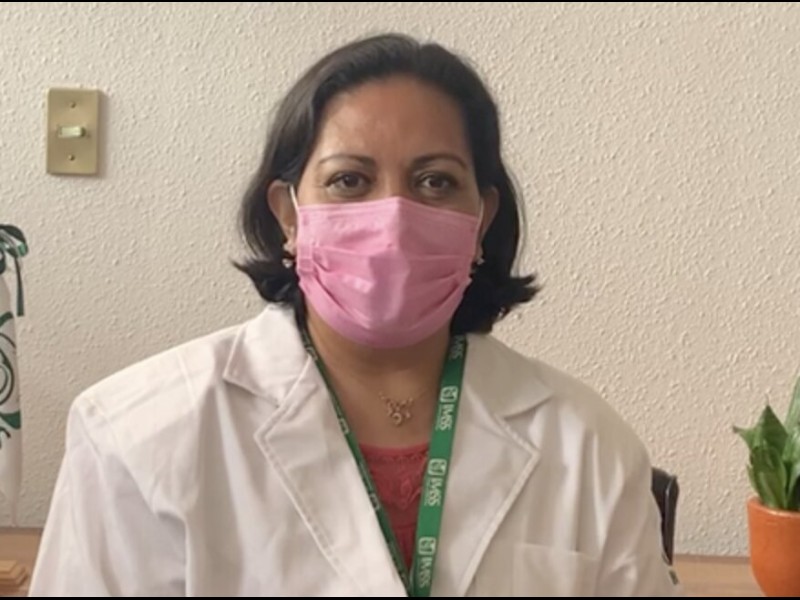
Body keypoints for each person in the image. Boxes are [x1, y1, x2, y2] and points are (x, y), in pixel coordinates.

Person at [30, 33, 681, 597]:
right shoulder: (137, 434)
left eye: (435, 181)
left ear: (481, 219)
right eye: (350, 180)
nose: (393, 216)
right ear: (288, 214)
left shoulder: (588, 444)